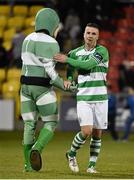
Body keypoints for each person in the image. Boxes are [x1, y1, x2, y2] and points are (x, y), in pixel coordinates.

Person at [20, 8, 75, 172]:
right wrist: (66, 86)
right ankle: (37, 148)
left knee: (29, 124)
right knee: (51, 121)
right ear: (52, 24)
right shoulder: (51, 42)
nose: (57, 31)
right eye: (56, 27)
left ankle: (27, 166)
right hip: (42, 88)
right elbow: (50, 73)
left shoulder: (27, 39)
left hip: (24, 88)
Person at [54, 23, 109, 173]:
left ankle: (91, 166)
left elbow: (88, 65)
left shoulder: (102, 51)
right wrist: (70, 79)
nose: (90, 36)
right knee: (86, 131)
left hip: (101, 98)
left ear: (97, 36)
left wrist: (67, 60)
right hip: (84, 97)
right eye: (88, 33)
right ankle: (71, 154)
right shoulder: (75, 52)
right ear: (84, 34)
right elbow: (71, 69)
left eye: (93, 34)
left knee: (97, 134)